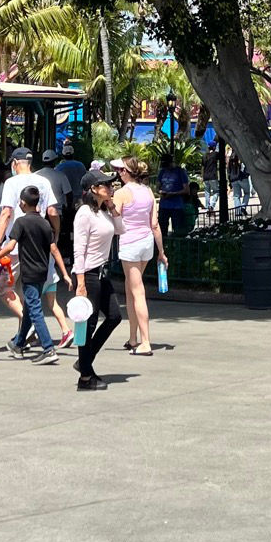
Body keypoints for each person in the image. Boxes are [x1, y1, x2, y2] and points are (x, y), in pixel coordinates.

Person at [0, 185, 70, 360]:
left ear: (22, 204)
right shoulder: (45, 222)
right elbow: (54, 249)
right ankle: (18, 343)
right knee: (29, 307)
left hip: (30, 273)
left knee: (34, 310)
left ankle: (48, 349)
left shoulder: (21, 222)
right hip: (42, 272)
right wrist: (65, 273)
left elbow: (10, 246)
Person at [0, 148, 61, 348]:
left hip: (14, 244)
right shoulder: (44, 182)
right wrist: (54, 232)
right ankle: (23, 337)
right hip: (39, 244)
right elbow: (53, 211)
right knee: (27, 292)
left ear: (14, 163)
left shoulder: (12, 183)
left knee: (0, 286)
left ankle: (27, 327)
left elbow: (6, 213)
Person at [72, 166, 123, 390]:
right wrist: (80, 282)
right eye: (106, 185)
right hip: (88, 274)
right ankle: (85, 376)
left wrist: (112, 207)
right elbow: (78, 250)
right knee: (87, 324)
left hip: (102, 273)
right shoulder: (84, 213)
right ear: (93, 189)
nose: (111, 187)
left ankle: (85, 359)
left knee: (114, 316)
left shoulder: (103, 211)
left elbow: (121, 230)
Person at [114, 155, 167, 355]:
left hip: (130, 243)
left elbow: (115, 218)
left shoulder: (122, 193)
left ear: (126, 172)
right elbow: (154, 224)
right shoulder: (148, 192)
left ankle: (145, 341)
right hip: (146, 243)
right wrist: (161, 251)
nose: (119, 174)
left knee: (137, 291)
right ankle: (133, 337)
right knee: (130, 289)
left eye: (120, 170)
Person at [61, 136, 88, 203]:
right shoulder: (81, 165)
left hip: (65, 199)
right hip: (79, 199)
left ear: (63, 155)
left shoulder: (59, 167)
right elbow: (85, 181)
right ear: (73, 154)